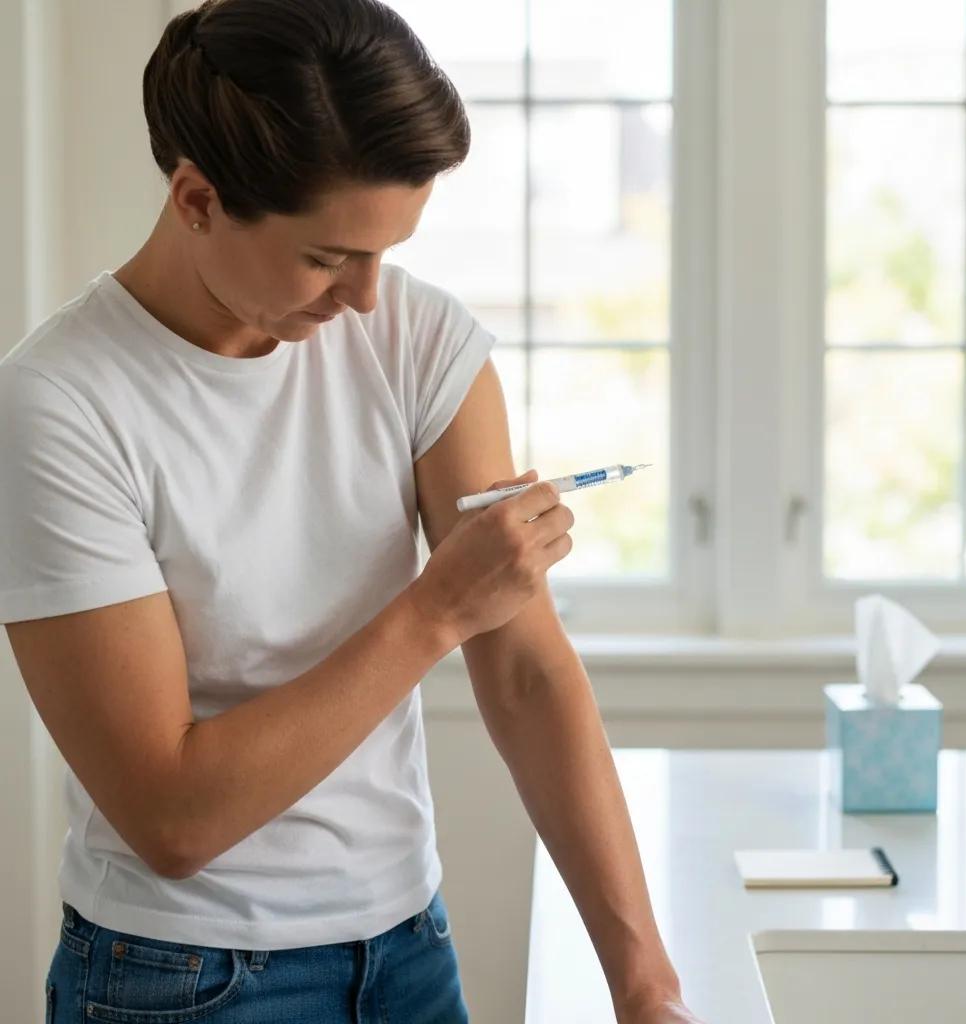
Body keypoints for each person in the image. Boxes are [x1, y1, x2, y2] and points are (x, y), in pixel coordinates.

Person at [1, 1, 704, 1022]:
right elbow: (170, 816)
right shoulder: (59, 405)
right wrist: (433, 611)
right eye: (328, 259)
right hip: (182, 978)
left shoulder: (419, 342)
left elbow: (525, 667)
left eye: (388, 252)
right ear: (196, 198)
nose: (367, 300)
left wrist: (645, 982)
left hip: (408, 951)